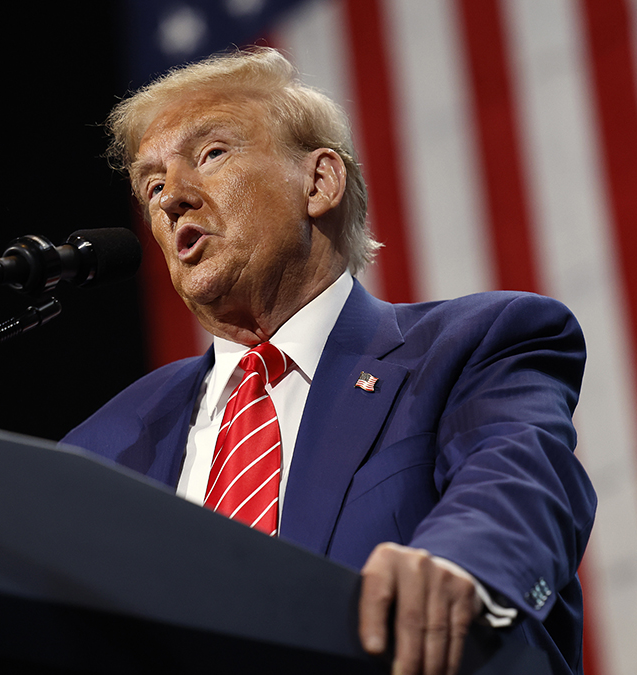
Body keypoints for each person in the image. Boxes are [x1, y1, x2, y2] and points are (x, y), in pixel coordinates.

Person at [62, 47, 596, 675]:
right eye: (152, 184)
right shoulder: (99, 448)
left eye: (210, 155)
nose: (172, 198)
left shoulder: (470, 346)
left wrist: (461, 565)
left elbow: (521, 478)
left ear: (319, 182)